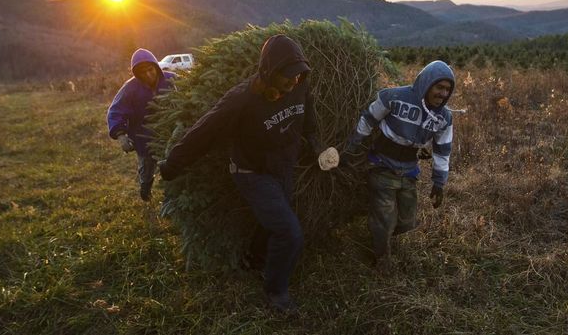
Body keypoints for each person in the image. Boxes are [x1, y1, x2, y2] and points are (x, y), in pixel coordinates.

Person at [158, 34, 332, 314]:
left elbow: (309, 117)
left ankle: (254, 259)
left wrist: (317, 146)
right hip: (252, 172)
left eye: (298, 76)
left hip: (283, 168)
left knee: (273, 220)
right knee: (290, 232)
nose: (293, 82)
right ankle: (276, 292)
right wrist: (171, 166)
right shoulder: (241, 100)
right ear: (269, 71)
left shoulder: (300, 84)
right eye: (287, 76)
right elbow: (203, 133)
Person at [342, 60, 455, 268]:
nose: (443, 94)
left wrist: (439, 182)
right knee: (384, 217)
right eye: (439, 87)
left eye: (448, 90)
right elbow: (368, 119)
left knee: (406, 221)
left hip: (409, 170)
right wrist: (352, 147)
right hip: (382, 165)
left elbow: (443, 150)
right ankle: (381, 257)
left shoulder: (444, 118)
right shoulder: (393, 97)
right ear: (427, 83)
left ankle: (379, 232)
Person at [107, 48, 177, 201]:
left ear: (156, 67)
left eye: (150, 69)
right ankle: (145, 189)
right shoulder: (130, 88)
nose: (148, 75)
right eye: (142, 73)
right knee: (146, 169)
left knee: (172, 164)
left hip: (170, 135)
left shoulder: (172, 80)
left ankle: (172, 196)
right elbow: (115, 111)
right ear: (136, 74)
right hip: (143, 139)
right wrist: (120, 135)